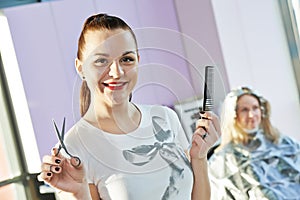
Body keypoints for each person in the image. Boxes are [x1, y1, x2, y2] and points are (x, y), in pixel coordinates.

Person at [38, 13, 221, 200]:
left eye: (126, 59)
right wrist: (78, 193)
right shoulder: (73, 148)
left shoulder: (165, 117)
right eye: (101, 61)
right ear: (81, 68)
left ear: (138, 61)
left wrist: (199, 157)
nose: (116, 72)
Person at [208, 86, 300, 200]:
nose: (251, 115)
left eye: (255, 108)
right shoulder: (223, 160)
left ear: (262, 110)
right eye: (244, 110)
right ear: (233, 115)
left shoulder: (284, 143)